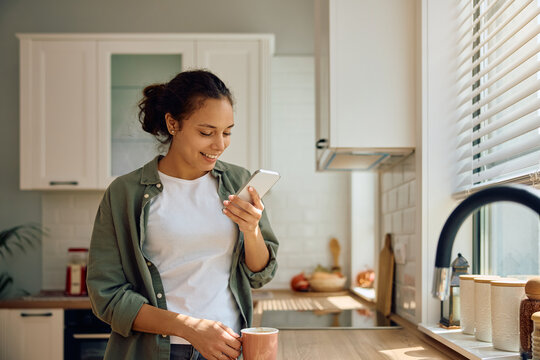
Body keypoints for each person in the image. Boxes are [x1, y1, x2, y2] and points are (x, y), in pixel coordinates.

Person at [87, 69, 279, 360]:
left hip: (228, 349)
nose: (220, 145)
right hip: (156, 351)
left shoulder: (238, 182)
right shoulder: (125, 193)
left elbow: (259, 275)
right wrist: (190, 328)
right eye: (206, 132)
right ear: (173, 124)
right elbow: (108, 296)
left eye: (227, 132)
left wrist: (251, 231)